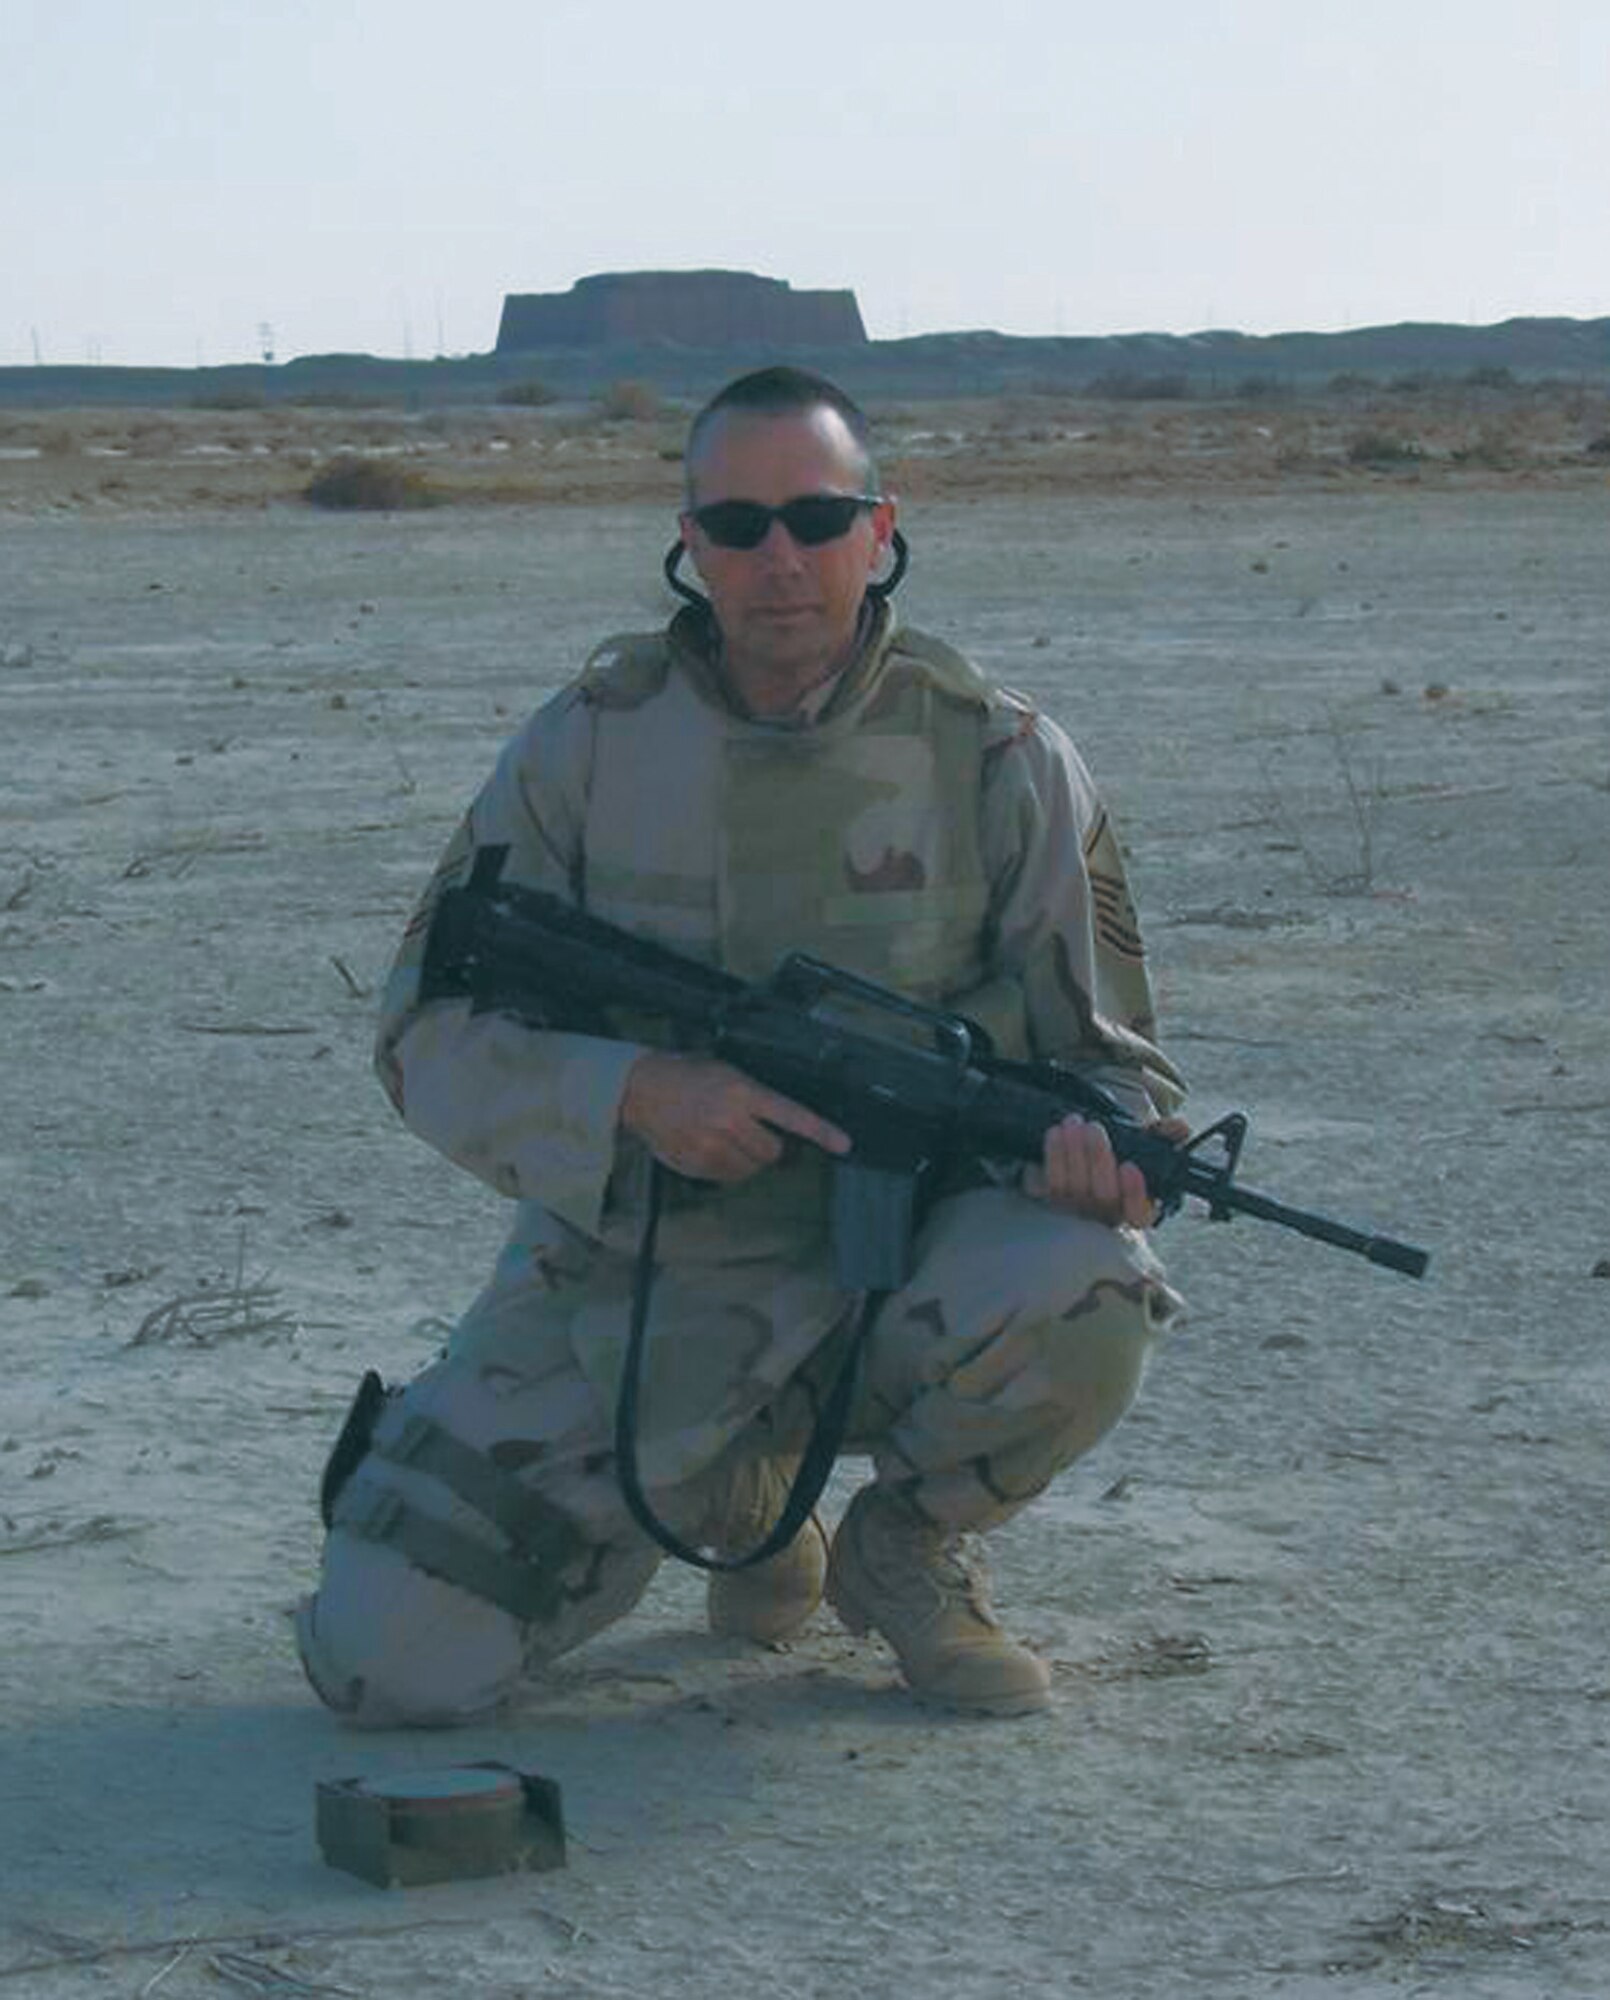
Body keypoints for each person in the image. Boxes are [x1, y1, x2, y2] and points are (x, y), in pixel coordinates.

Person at [296, 365, 1186, 1725]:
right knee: (385, 1669)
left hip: (905, 1258)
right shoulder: (586, 748)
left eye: (819, 519)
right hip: (638, 1270)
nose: (781, 558)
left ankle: (903, 1552)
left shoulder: (998, 757)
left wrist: (1106, 1148)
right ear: (688, 539)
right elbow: (427, 1028)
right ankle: (743, 1496)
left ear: (880, 531)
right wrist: (632, 1091)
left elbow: (1109, 1052)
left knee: (1087, 1282)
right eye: (741, 524)